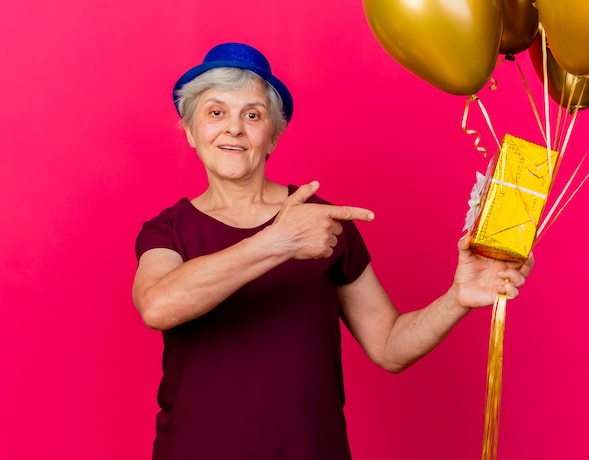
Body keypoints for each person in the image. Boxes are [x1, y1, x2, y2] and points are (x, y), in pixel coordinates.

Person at [132, 42, 534, 460]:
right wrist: (276, 240)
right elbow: (159, 306)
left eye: (252, 115)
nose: (234, 128)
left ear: (272, 137)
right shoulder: (168, 229)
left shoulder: (322, 222)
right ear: (191, 132)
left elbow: (390, 346)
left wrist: (457, 298)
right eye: (216, 112)